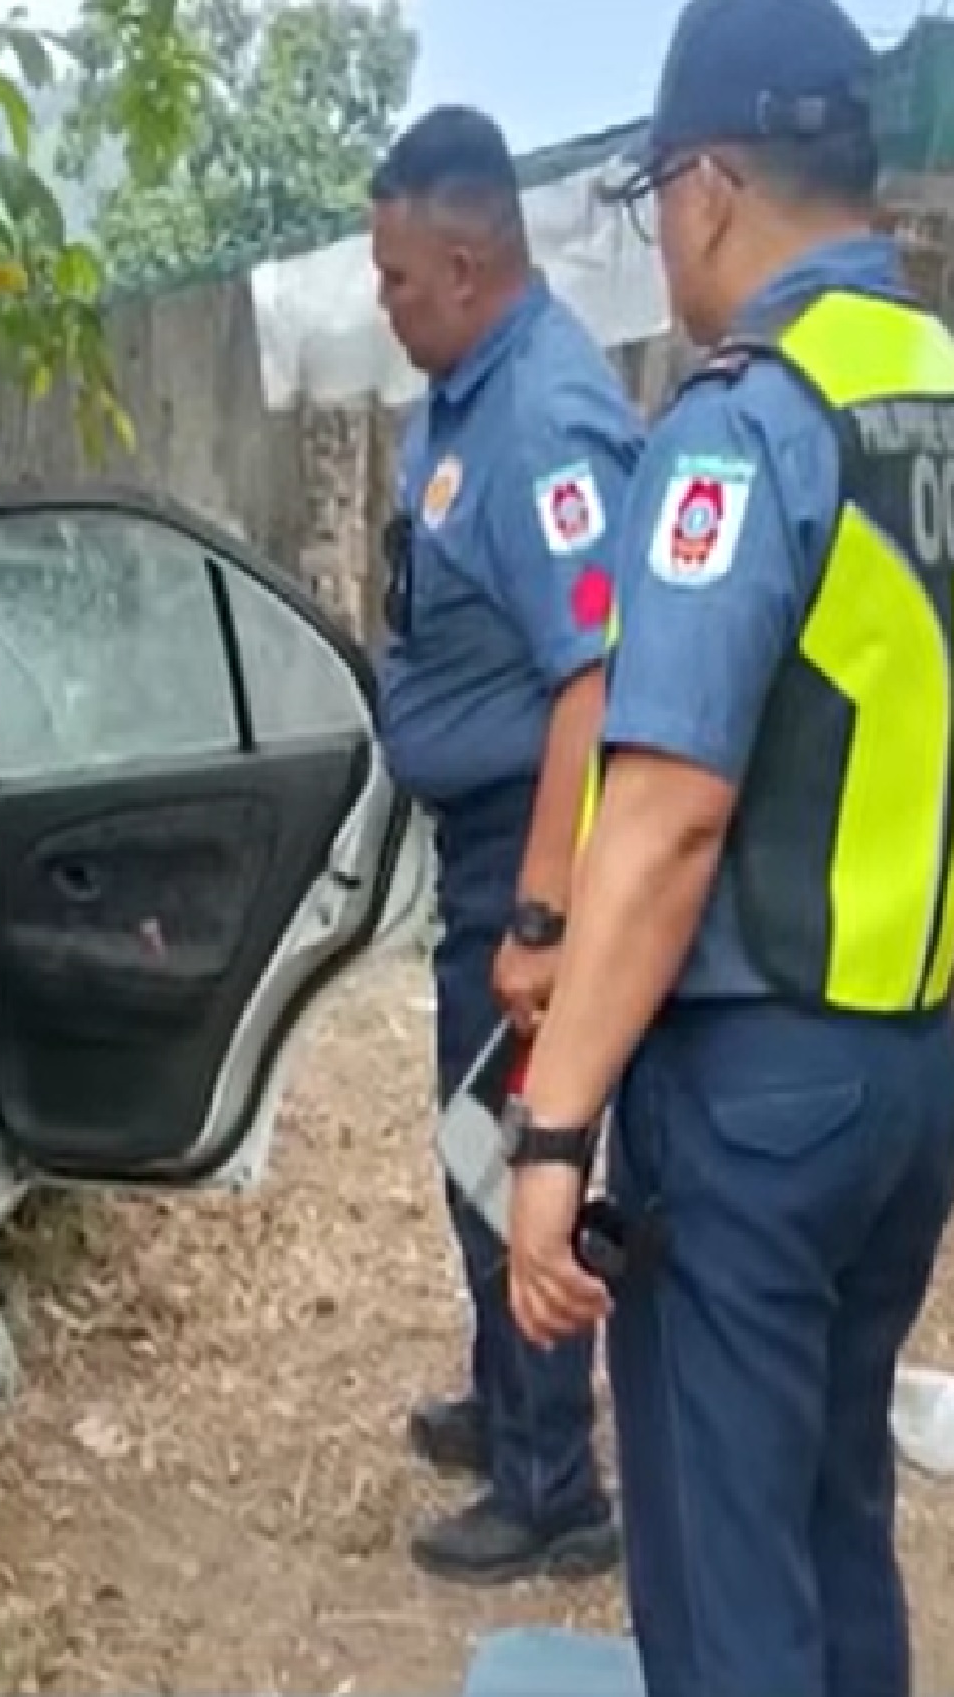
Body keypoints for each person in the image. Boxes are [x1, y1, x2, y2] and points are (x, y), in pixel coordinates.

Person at [495, 0, 954, 1693]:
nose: (663, 241)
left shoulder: (743, 421)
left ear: (707, 187)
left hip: (754, 1107)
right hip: (907, 1081)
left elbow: (662, 820)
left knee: (725, 1603)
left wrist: (550, 1135)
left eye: (659, 200)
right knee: (829, 1532)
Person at [365, 104, 641, 1586]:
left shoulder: (542, 419)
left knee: (511, 1155)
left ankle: (556, 1493)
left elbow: (593, 684)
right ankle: (510, 1404)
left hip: (525, 862)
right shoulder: (461, 393)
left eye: (399, 278)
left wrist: (541, 918)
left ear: (467, 265)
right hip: (474, 846)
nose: (384, 301)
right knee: (473, 1150)